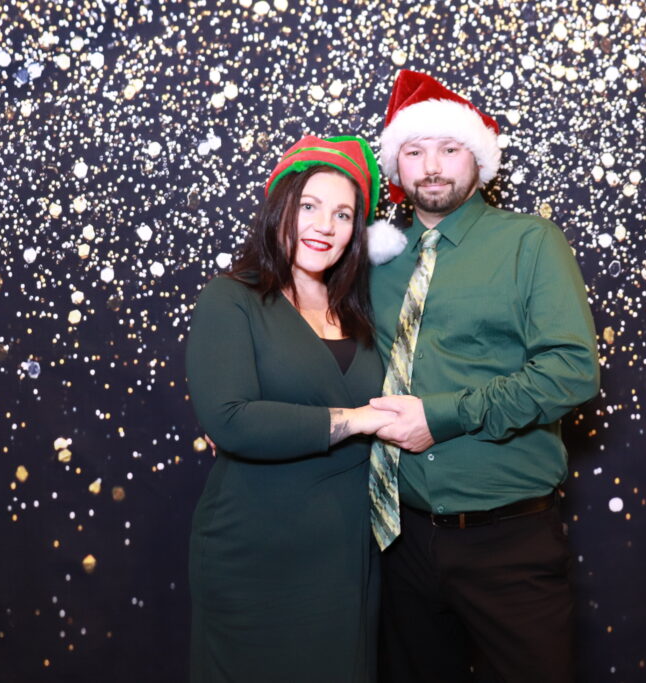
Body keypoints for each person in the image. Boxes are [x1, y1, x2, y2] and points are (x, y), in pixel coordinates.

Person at [368, 70, 601, 683]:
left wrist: (443, 416)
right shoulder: (374, 261)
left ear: (479, 159)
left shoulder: (530, 242)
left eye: (450, 148)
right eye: (414, 151)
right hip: (400, 539)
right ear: (396, 166)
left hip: (509, 541)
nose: (432, 167)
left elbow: (572, 372)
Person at [185, 134, 394, 683]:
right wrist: (357, 420)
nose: (325, 226)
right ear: (279, 207)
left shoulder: (362, 313)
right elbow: (231, 420)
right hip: (255, 554)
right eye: (309, 207)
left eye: (343, 214)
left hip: (346, 558)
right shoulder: (232, 298)